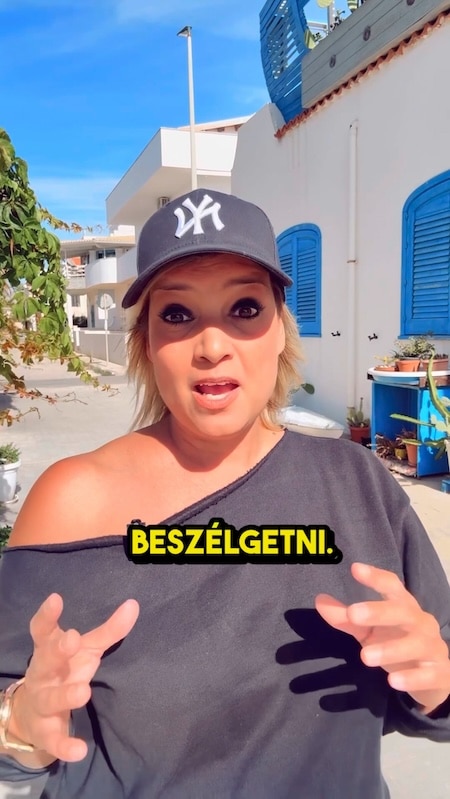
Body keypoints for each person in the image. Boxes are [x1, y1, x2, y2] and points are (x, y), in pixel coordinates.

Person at [1, 188, 450, 799]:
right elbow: (13, 725)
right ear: (146, 343)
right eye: (177, 315)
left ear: (280, 332)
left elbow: (433, 690)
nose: (213, 347)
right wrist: (22, 727)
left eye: (244, 308)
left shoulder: (357, 483)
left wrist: (434, 680)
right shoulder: (71, 501)